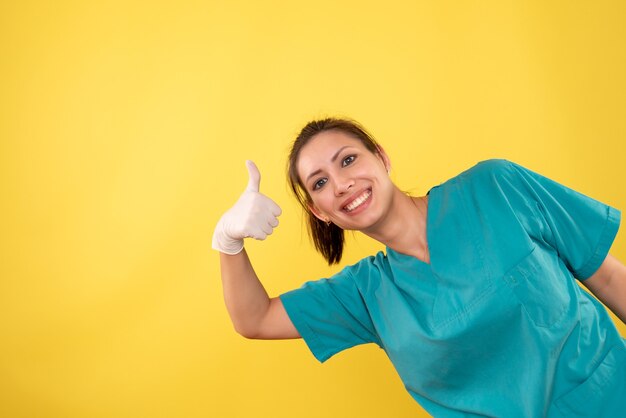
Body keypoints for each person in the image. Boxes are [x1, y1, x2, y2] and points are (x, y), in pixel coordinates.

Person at [212, 118, 626, 417]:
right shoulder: (364, 295)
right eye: (319, 183)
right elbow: (255, 318)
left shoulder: (494, 187)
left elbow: (605, 274)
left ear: (381, 157)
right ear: (319, 213)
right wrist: (228, 241)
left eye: (348, 160)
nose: (340, 184)